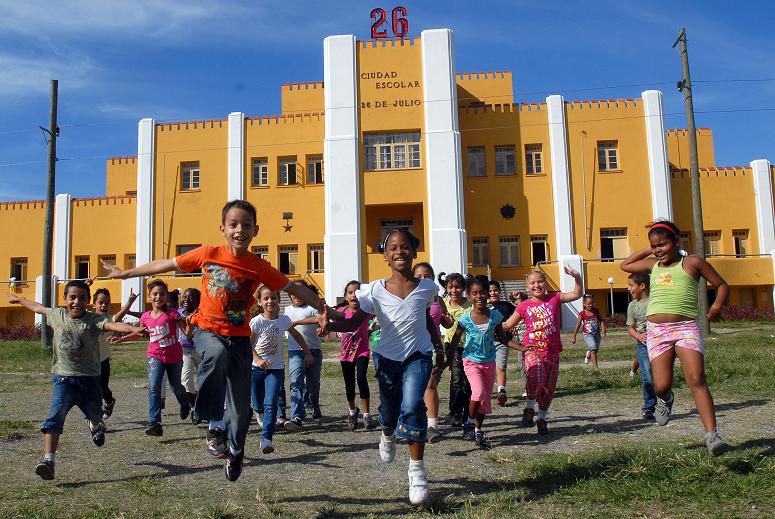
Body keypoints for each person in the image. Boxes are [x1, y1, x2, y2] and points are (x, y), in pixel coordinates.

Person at [101, 199, 322, 481]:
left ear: (256, 230)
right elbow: (164, 264)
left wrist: (324, 308)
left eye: (246, 225)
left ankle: (236, 450)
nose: (239, 229)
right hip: (207, 331)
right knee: (215, 355)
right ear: (223, 228)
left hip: (240, 339)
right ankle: (213, 426)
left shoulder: (258, 266)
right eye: (233, 224)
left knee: (242, 411)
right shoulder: (208, 254)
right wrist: (125, 273)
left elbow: (292, 287)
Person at [322, 229, 444, 505]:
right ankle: (387, 432)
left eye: (405, 247)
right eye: (393, 248)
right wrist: (330, 322)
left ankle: (417, 469)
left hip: (418, 355)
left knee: (413, 406)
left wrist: (439, 347)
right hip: (387, 358)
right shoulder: (374, 290)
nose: (399, 251)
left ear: (414, 252)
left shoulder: (427, 288)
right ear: (385, 256)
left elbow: (425, 319)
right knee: (389, 410)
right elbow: (354, 323)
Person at [7, 281, 146, 480]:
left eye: (82, 298)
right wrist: (20, 299)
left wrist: (131, 329)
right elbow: (37, 306)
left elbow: (112, 324)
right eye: (72, 297)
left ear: (88, 301)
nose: (77, 301)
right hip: (64, 379)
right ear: (65, 300)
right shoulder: (57, 315)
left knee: (95, 415)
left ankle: (96, 426)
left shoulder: (92, 320)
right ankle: (48, 461)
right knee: (55, 416)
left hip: (89, 381)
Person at [620, 220, 730, 455]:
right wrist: (650, 251)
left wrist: (717, 306)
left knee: (696, 378)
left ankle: (712, 436)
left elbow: (721, 284)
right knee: (660, 385)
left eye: (663, 244)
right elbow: (625, 265)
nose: (659, 249)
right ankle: (666, 398)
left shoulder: (692, 262)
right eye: (654, 246)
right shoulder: (653, 266)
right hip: (657, 332)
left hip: (686, 328)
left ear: (676, 242)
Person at [503, 267, 583, 434]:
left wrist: (576, 277)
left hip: (552, 351)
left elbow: (576, 294)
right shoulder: (524, 306)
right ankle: (530, 407)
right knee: (536, 376)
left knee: (549, 387)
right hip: (532, 349)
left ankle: (541, 418)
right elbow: (508, 325)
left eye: (540, 282)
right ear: (527, 287)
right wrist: (487, 324)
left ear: (546, 284)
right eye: (532, 283)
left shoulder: (555, 298)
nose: (536, 285)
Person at [449, 277, 522, 450]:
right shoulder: (465, 319)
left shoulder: (495, 316)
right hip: (471, 361)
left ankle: (478, 430)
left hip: (489, 362)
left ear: (488, 294)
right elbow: (455, 340)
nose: (479, 296)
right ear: (469, 296)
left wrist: (522, 348)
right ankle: (468, 420)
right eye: (474, 293)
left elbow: (504, 339)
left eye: (482, 292)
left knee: (485, 401)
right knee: (478, 392)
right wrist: (448, 359)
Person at [113, 279, 192, 436]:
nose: (158, 297)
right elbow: (139, 335)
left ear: (166, 296)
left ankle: (185, 403)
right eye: (155, 294)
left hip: (174, 356)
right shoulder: (145, 317)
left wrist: (189, 323)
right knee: (154, 387)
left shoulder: (172, 314)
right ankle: (155, 422)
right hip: (155, 356)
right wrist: (122, 339)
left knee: (176, 386)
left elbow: (187, 333)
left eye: (162, 294)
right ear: (149, 297)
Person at [250, 285, 313, 454]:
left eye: (273, 298)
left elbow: (297, 335)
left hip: (275, 369)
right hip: (256, 369)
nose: (270, 301)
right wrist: (257, 358)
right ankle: (259, 411)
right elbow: (248, 344)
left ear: (278, 300)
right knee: (258, 403)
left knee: (271, 403)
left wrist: (307, 353)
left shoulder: (284, 320)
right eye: (266, 298)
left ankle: (266, 439)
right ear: (260, 302)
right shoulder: (257, 322)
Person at [413, 262, 448, 444]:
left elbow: (444, 321)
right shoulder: (408, 296)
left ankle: (432, 426)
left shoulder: (437, 299)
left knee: (430, 384)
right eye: (419, 276)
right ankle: (416, 420)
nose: (423, 279)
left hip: (432, 346)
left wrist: (447, 321)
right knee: (414, 389)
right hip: (411, 347)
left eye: (427, 276)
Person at [91, 287, 138, 421]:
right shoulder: (88, 318)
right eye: (100, 302)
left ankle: (110, 401)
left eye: (107, 303)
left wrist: (130, 301)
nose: (104, 305)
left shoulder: (110, 320)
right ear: (94, 304)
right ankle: (97, 419)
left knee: (103, 388)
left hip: (103, 361)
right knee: (94, 392)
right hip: (88, 362)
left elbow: (120, 315)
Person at [281, 280, 324, 425]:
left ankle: (314, 405)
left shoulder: (312, 308)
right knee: (296, 383)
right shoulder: (286, 310)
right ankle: (296, 416)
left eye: (301, 292)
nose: (297, 295)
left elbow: (319, 319)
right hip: (295, 351)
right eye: (294, 292)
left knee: (313, 383)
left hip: (314, 350)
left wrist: (299, 322)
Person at [338, 280, 376, 430]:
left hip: (362, 351)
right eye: (350, 292)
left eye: (357, 292)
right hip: (345, 354)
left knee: (361, 378)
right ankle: (352, 412)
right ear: (346, 297)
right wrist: (323, 328)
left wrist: (373, 328)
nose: (354, 295)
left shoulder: (366, 312)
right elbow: (325, 321)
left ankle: (366, 415)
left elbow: (380, 318)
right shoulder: (341, 313)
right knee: (349, 383)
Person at [438, 272, 471, 427]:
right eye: (450, 287)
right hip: (452, 347)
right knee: (456, 380)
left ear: (463, 288)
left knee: (468, 382)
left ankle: (467, 413)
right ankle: (454, 413)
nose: (454, 290)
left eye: (458, 287)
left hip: (471, 347)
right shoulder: (443, 304)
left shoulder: (470, 304)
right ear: (446, 288)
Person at [626, 272, 655, 420]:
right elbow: (630, 328)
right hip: (643, 345)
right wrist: (638, 336)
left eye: (631, 285)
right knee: (648, 377)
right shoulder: (632, 306)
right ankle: (649, 407)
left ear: (642, 286)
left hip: (659, 343)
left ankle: (665, 399)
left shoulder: (656, 301)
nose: (628, 289)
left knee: (662, 376)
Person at [487, 280, 515, 406]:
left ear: (499, 291)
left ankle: (501, 391)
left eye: (495, 290)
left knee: (501, 365)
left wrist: (518, 298)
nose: (493, 293)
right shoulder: (482, 306)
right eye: (490, 291)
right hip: (486, 342)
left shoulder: (506, 306)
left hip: (503, 340)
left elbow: (519, 312)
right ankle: (484, 391)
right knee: (487, 367)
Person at [179, 288, 202, 423]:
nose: (187, 299)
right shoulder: (178, 313)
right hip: (185, 351)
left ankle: (200, 405)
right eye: (185, 296)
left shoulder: (202, 314)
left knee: (203, 380)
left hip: (200, 350)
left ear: (199, 301)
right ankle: (192, 406)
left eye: (191, 297)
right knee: (186, 378)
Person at [571, 295, 606, 368]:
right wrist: (574, 336)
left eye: (592, 303)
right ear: (584, 304)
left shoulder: (596, 311)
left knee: (595, 350)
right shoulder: (582, 313)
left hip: (597, 334)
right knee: (593, 349)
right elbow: (578, 324)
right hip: (588, 334)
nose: (590, 305)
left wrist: (603, 329)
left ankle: (589, 353)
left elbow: (601, 320)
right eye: (588, 304)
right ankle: (595, 367)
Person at [508, 291, 529, 398]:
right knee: (522, 366)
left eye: (520, 303)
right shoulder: (514, 317)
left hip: (532, 345)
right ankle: (526, 387)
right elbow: (511, 329)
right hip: (521, 346)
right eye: (516, 304)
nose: (518, 306)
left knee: (533, 366)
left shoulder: (529, 314)